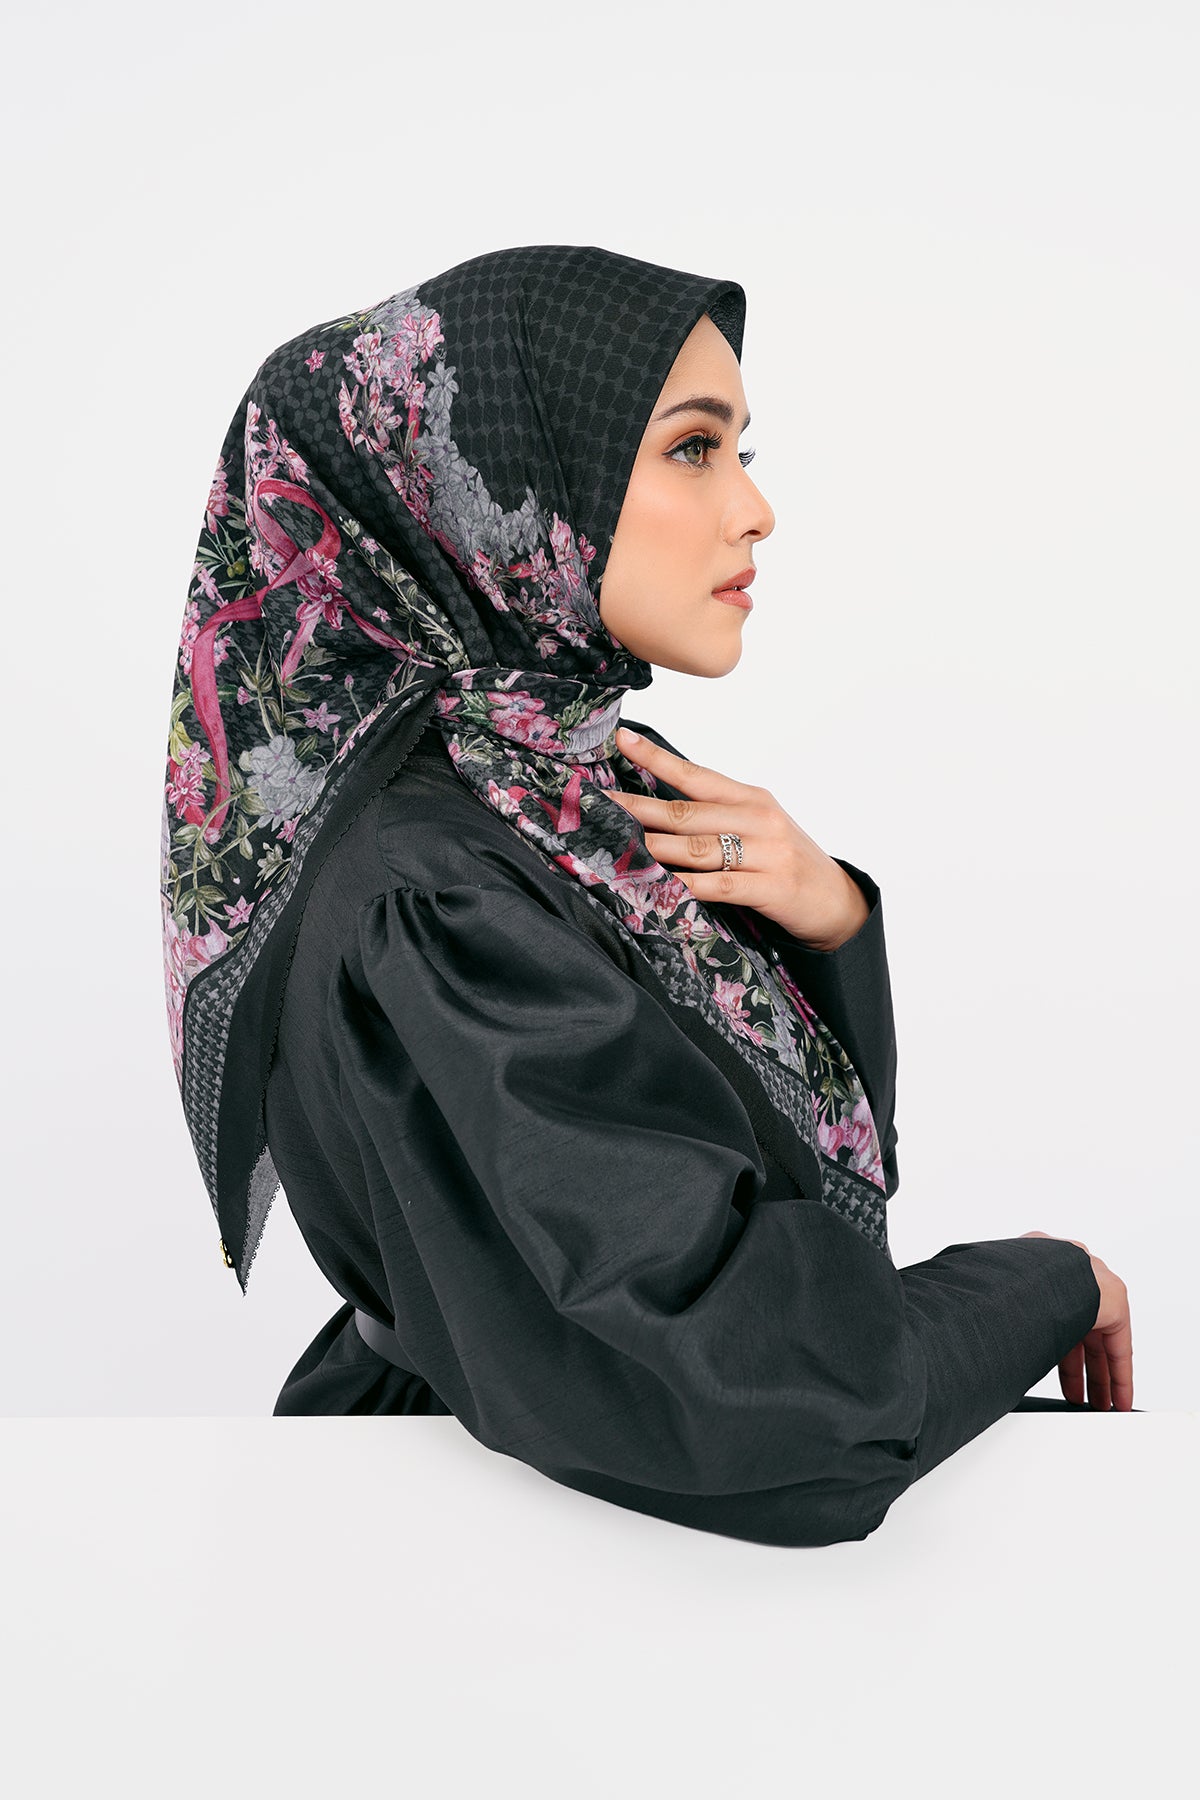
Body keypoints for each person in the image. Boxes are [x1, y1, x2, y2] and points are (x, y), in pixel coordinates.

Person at [162, 245, 1134, 1549]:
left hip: (586, 1552)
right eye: (692, 449)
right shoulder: (431, 891)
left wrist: (829, 921)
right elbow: (795, 1409)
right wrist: (1049, 1285)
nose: (756, 509)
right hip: (465, 1568)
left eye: (743, 449)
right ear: (496, 482)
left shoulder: (574, 791)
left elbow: (809, 1212)